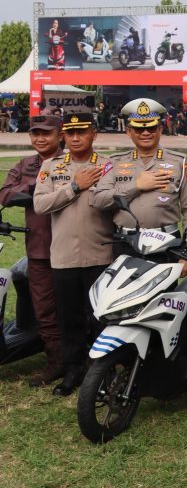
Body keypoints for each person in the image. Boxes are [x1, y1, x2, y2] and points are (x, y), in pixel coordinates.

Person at [32, 111, 112, 396]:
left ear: (94, 134)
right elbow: (41, 205)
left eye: (83, 132)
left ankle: (101, 372)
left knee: (100, 319)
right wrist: (75, 186)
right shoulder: (51, 166)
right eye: (71, 133)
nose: (76, 137)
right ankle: (73, 370)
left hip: (100, 255)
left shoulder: (108, 166)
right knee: (70, 320)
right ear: (63, 136)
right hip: (64, 257)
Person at [89, 99, 187, 279]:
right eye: (139, 129)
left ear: (160, 129)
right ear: (129, 131)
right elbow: (98, 200)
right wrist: (136, 186)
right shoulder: (116, 162)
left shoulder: (179, 162)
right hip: (126, 245)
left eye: (151, 127)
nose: (146, 132)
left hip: (166, 245)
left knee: (161, 303)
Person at [0, 114, 64, 387]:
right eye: (35, 133)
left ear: (59, 135)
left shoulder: (73, 162)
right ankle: (55, 363)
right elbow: (5, 194)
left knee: (78, 307)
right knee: (45, 311)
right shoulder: (25, 165)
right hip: (40, 249)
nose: (40, 138)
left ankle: (84, 360)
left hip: (76, 247)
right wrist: (36, 183)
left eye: (46, 133)